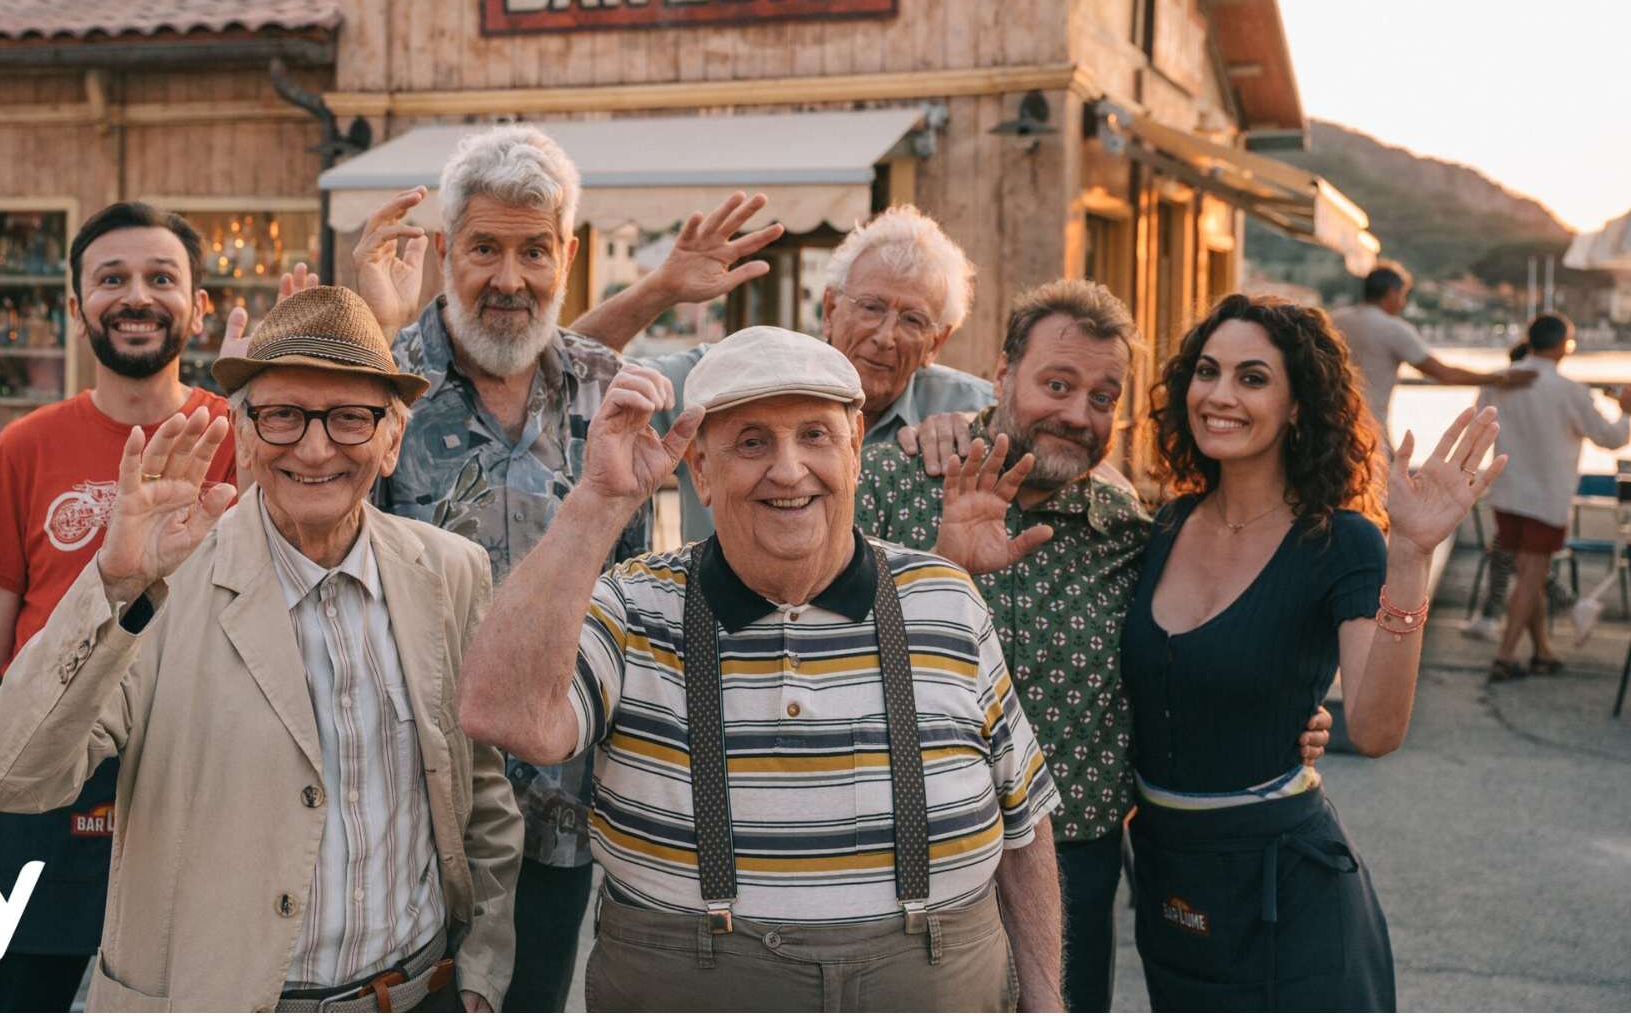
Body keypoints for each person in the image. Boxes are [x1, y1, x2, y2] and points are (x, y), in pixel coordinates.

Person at [458, 327, 1067, 1012]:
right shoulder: (634, 606)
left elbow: (1025, 826)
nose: (787, 470)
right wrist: (598, 502)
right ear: (702, 472)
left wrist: (1046, 1004)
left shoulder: (946, 598)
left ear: (856, 450)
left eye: (814, 436)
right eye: (752, 442)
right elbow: (501, 713)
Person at [0, 287, 522, 1012]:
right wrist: (114, 582)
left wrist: (478, 977)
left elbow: (480, 793)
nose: (315, 447)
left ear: (392, 441)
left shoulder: (450, 571)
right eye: (283, 415)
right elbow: (6, 774)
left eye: (351, 418)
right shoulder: (160, 583)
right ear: (242, 431)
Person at [858, 278, 1331, 1013]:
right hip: (902, 849)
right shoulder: (892, 483)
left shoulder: (1133, 534)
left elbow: (1186, 665)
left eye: (1104, 398)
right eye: (1056, 384)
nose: (1078, 415)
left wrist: (1282, 716)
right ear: (1002, 373)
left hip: (1076, 860)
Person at [346, 126, 655, 1012]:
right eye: (485, 247)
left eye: (533, 250)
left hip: (561, 810)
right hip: (410, 805)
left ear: (569, 253)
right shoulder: (384, 385)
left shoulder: (609, 389)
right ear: (447, 251)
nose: (509, 279)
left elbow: (640, 594)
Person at [1121, 293, 1501, 1010]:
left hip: (1291, 886)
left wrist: (1411, 555)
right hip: (1171, 883)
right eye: (1207, 371)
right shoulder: (1164, 526)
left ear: (1299, 405)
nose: (1220, 396)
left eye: (1253, 378)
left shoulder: (1341, 541)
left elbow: (1379, 729)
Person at [0, 201, 252, 1011]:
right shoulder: (26, 447)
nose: (136, 296)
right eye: (111, 279)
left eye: (161, 278)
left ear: (199, 306)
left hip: (189, 784)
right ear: (77, 308)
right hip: (45, 787)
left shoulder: (246, 440)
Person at [571, 203, 997, 540]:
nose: (886, 336)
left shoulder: (967, 410)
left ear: (937, 342)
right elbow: (566, 374)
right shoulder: (727, 374)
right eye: (871, 308)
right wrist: (658, 291)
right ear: (829, 309)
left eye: (913, 321)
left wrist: (978, 430)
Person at [1475, 313, 1631, 677]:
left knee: (1528, 574)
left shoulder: (1501, 382)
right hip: (1546, 496)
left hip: (1507, 490)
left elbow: (1480, 424)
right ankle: (1505, 656)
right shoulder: (1570, 391)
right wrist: (1626, 413)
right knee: (1532, 575)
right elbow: (1609, 439)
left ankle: (1542, 651)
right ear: (1562, 345)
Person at [1331, 260, 1533, 451]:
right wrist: (1501, 378)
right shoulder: (1393, 328)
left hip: (1328, 424)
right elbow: (1445, 374)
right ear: (1392, 293)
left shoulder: (1336, 320)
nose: (1402, 303)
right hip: (1369, 429)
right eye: (1403, 295)